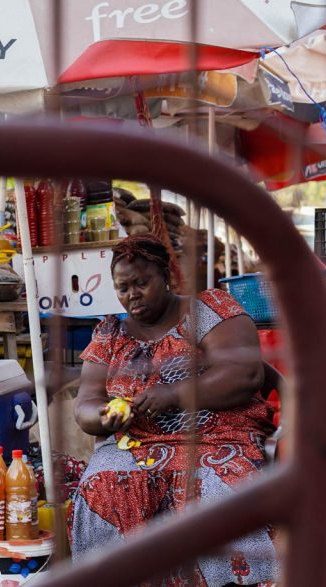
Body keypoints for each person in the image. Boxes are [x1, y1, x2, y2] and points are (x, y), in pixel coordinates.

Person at [71, 233, 278, 586]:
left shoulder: (210, 310)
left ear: (165, 275)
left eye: (141, 283)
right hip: (135, 446)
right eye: (123, 287)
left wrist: (173, 394)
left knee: (217, 492)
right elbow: (86, 404)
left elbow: (246, 374)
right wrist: (104, 416)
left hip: (219, 440)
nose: (132, 294)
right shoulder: (110, 334)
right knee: (102, 487)